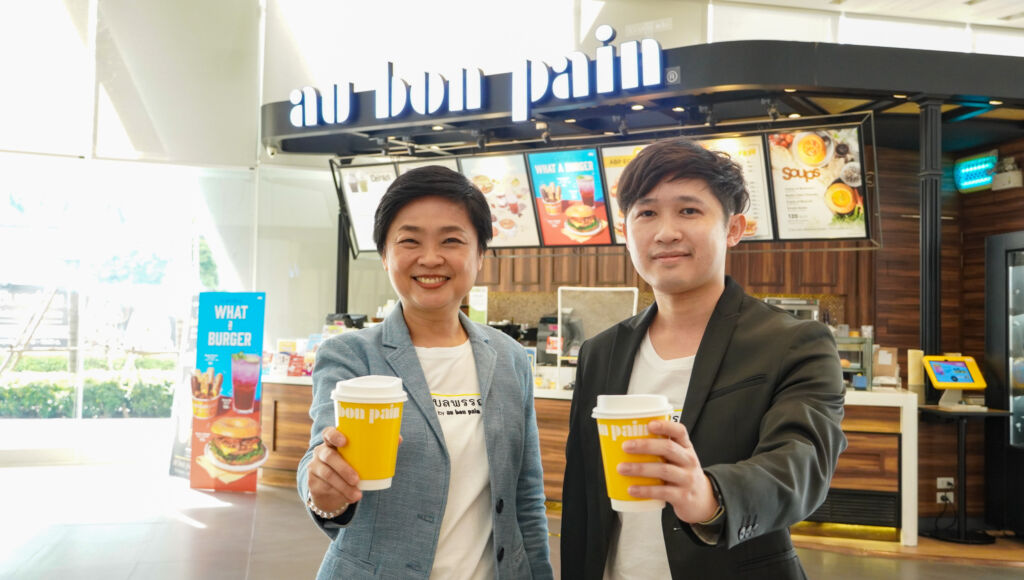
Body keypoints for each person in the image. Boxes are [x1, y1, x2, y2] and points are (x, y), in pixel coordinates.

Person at [560, 138, 847, 579]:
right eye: (647, 213)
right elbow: (583, 495)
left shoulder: (793, 342)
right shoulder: (601, 352)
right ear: (625, 231)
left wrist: (710, 495)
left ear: (733, 229)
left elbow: (801, 463)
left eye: (689, 210)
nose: (666, 232)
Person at [298, 166, 552, 580]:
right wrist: (324, 491)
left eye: (451, 240)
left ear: (480, 255)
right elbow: (319, 454)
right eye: (409, 241)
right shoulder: (350, 355)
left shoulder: (509, 358)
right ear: (385, 256)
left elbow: (526, 495)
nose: (430, 258)